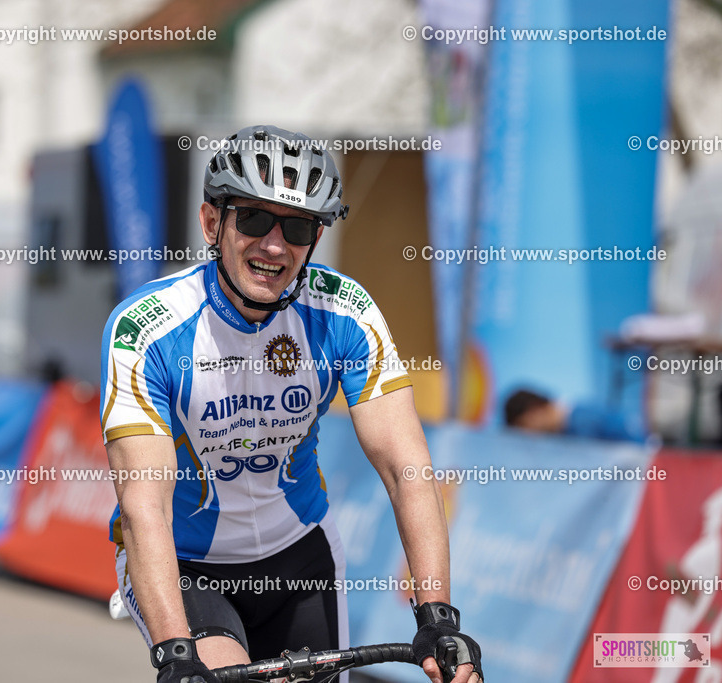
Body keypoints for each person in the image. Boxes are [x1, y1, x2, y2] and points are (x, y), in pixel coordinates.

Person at [100, 125, 482, 683]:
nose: (274, 245)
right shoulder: (148, 328)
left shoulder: (344, 312)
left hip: (299, 553)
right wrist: (174, 650)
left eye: (298, 226)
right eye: (254, 219)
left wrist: (437, 617)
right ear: (212, 223)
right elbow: (143, 509)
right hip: (187, 566)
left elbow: (408, 469)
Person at [504, 388, 647, 442]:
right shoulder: (568, 426)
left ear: (535, 410)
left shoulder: (582, 421)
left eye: (524, 426)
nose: (527, 435)